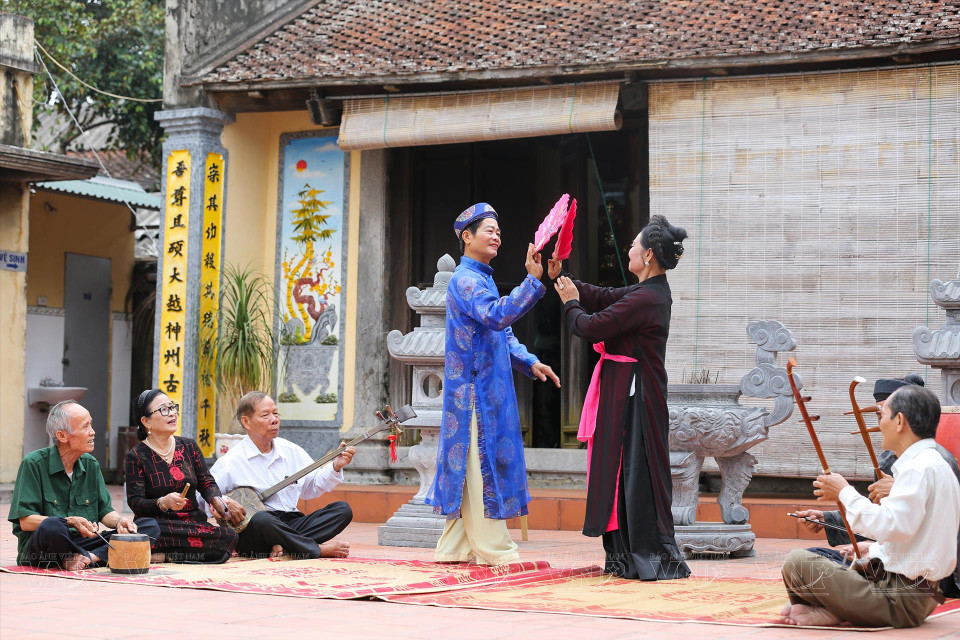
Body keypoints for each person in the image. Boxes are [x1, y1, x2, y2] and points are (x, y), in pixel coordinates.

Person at [552, 214, 690, 580]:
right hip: (627, 394)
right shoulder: (648, 291)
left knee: (635, 476)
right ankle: (627, 558)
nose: (628, 248)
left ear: (647, 256)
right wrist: (559, 277)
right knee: (621, 474)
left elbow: (590, 325)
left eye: (633, 244)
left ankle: (646, 557)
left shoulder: (649, 297)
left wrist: (570, 304)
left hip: (637, 398)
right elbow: (601, 296)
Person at [427, 202, 560, 566]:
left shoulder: (482, 278)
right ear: (466, 237)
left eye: (498, 230)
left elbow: (504, 334)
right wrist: (532, 281)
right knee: (478, 465)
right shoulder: (466, 280)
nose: (496, 234)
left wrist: (530, 362)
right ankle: (494, 548)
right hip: (473, 394)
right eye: (489, 229)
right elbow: (497, 315)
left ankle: (455, 547)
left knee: (473, 467)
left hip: (490, 390)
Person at [780, 384, 960, 627]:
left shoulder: (918, 468)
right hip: (919, 592)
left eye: (882, 414)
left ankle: (833, 610)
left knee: (797, 563)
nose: (879, 424)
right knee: (821, 557)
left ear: (899, 422)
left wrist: (843, 491)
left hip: (901, 599)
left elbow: (890, 526)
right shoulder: (931, 463)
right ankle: (837, 610)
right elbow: (910, 531)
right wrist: (874, 550)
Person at [9, 400, 160, 570]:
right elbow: (25, 521)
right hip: (46, 546)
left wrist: (119, 521)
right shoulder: (34, 464)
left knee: (148, 526)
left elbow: (104, 511)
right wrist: (69, 522)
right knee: (52, 525)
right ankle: (90, 557)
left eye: (91, 425)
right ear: (62, 436)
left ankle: (88, 558)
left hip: (85, 543)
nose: (93, 432)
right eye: (85, 427)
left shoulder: (91, 464)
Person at [208, 391, 354, 559]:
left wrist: (336, 466)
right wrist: (225, 502)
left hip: (292, 523)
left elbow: (312, 487)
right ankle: (316, 550)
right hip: (256, 531)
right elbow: (204, 497)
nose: (274, 419)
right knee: (262, 519)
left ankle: (287, 546)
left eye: (275, 413)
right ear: (246, 421)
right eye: (265, 415)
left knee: (342, 510)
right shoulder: (232, 460)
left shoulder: (291, 451)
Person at [126, 389, 238, 563]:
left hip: (191, 523)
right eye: (164, 409)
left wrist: (215, 499)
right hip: (159, 525)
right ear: (146, 421)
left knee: (228, 536)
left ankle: (164, 555)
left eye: (172, 407)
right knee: (145, 531)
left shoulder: (189, 446)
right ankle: (173, 552)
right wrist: (162, 502)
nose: (172, 413)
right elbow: (136, 503)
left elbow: (206, 482)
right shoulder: (137, 456)